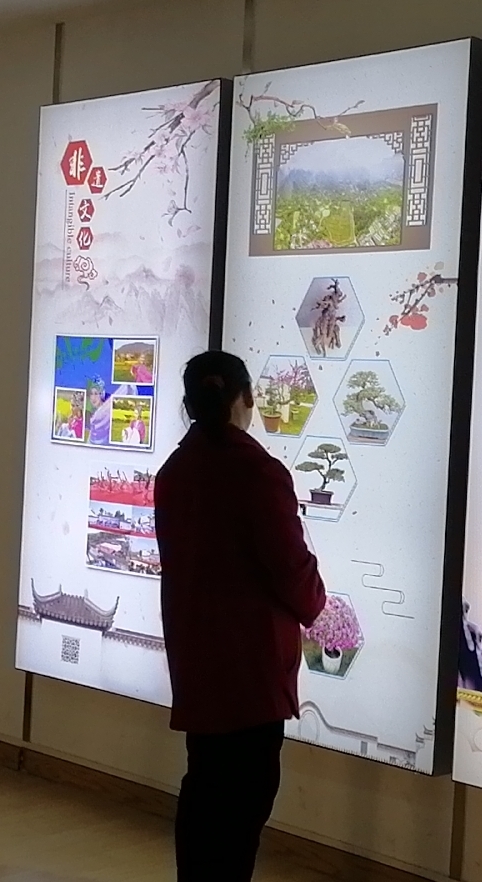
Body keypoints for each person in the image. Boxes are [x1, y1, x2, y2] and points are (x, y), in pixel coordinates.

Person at [156, 351, 325, 881]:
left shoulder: (175, 472)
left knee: (204, 789)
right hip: (251, 669)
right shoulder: (258, 473)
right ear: (245, 398)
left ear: (189, 405)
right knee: (243, 803)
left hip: (198, 661)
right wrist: (316, 603)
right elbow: (290, 567)